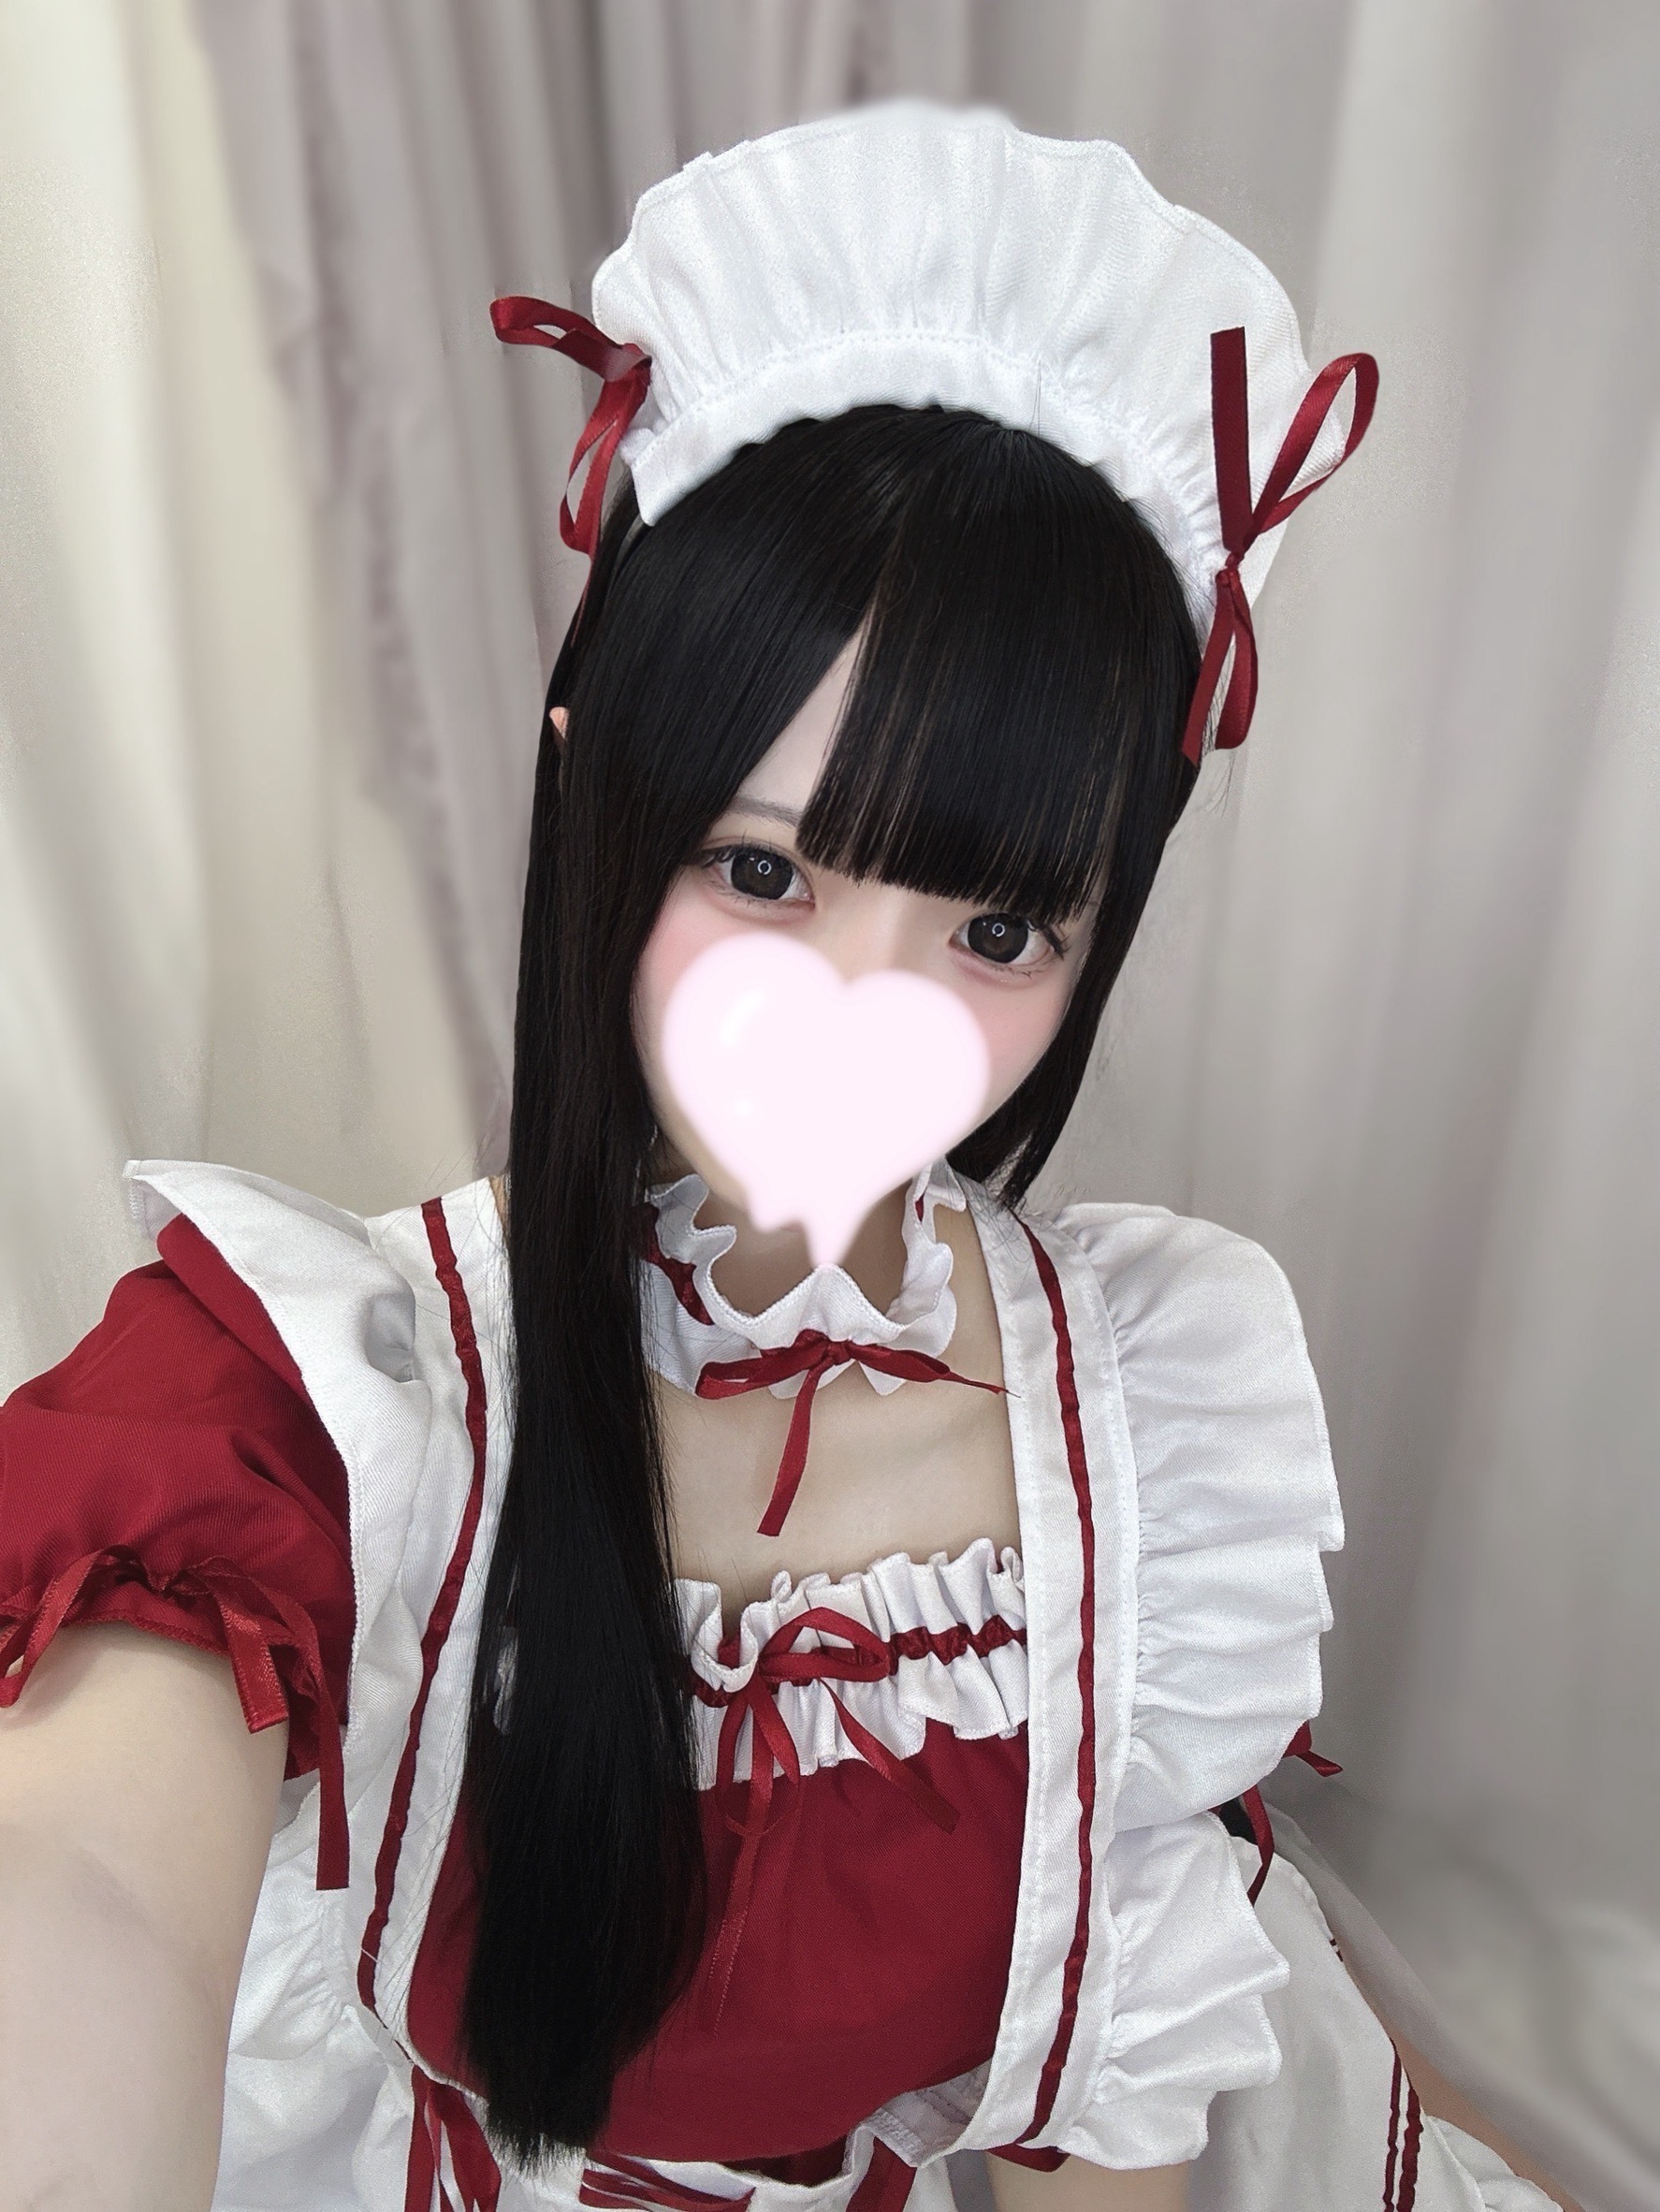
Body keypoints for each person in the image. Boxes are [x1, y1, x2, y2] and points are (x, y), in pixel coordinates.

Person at [0, 104, 1573, 2212]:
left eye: (995, 930)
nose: (867, 1011)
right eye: (762, 869)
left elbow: (1082, 2110)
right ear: (595, 790)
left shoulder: (1139, 1435)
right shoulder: (322, 1398)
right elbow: (86, 1883)